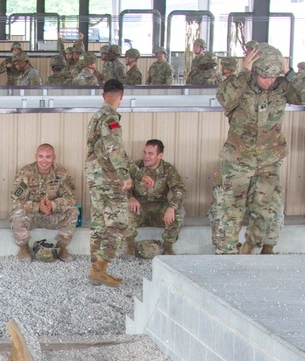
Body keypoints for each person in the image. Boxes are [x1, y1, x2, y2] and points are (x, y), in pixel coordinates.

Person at [211, 45, 305, 254]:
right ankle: (225, 255)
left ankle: (251, 251)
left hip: (269, 160)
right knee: (230, 210)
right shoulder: (241, 83)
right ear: (254, 70)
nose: (269, 81)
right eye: (264, 76)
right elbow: (224, 99)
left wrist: (289, 72)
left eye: (273, 76)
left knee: (263, 211)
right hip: (238, 159)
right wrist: (243, 72)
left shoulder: (282, 85)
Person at [85, 79, 132, 286]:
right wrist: (125, 175)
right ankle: (100, 269)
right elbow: (114, 149)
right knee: (118, 223)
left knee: (99, 223)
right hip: (108, 177)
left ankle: (96, 269)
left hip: (95, 176)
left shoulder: (96, 117)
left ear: (103, 95)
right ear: (121, 96)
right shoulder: (110, 117)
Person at [10, 143, 77, 261]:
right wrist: (37, 207)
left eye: (48, 157)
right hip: (32, 217)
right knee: (17, 213)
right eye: (41, 156)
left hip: (52, 215)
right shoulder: (25, 173)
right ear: (36, 157)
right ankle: (24, 247)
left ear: (54, 158)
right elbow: (16, 200)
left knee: (73, 211)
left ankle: (62, 247)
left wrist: (53, 205)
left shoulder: (61, 173)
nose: (44, 161)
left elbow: (71, 198)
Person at [125, 139, 186, 256]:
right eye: (144, 152)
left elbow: (180, 190)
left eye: (150, 153)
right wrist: (130, 197)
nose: (146, 156)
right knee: (123, 207)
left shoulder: (168, 169)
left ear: (160, 155)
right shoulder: (136, 167)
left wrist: (171, 208)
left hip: (159, 210)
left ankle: (167, 246)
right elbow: (123, 186)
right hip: (139, 210)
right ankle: (130, 246)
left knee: (179, 211)